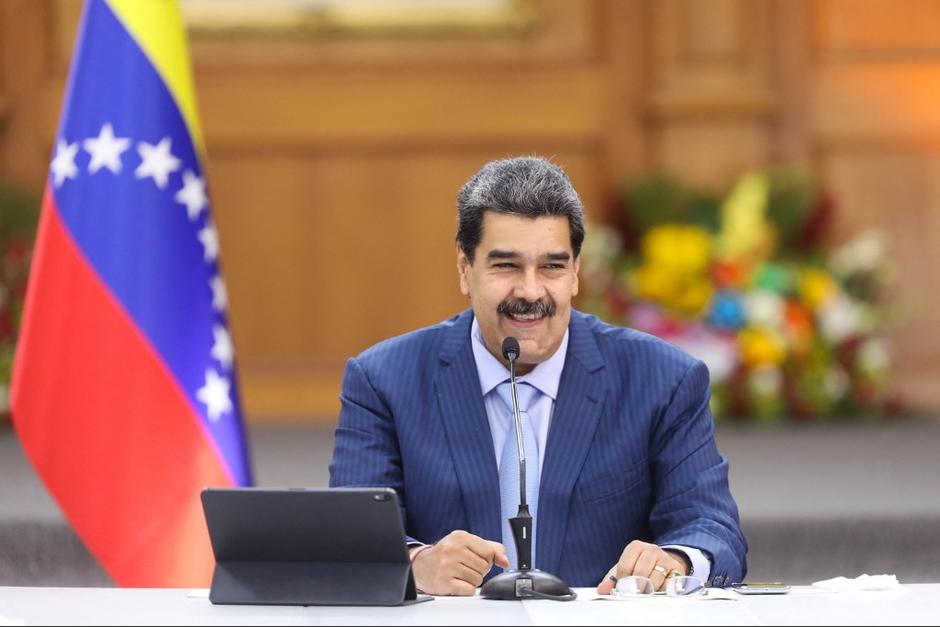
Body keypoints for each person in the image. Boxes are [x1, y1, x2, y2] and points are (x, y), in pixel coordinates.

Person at [329, 156, 747, 596]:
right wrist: (416, 564)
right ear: (463, 268)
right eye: (506, 266)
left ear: (576, 272)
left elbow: (715, 532)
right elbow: (349, 538)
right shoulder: (383, 380)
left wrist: (675, 560)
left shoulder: (663, 379)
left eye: (551, 266)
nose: (530, 291)